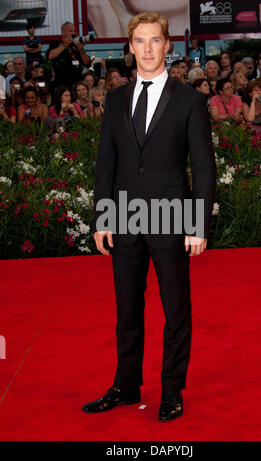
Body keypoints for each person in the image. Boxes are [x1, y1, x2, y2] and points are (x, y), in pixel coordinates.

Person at [82, 11, 216, 422]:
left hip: (172, 216)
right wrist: (103, 216)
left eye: (154, 40)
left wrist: (197, 226)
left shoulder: (190, 100)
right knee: (127, 309)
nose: (147, 49)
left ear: (167, 44)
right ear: (130, 47)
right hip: (124, 217)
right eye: (139, 41)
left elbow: (204, 167)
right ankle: (126, 386)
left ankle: (172, 390)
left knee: (175, 309)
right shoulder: (117, 99)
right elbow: (107, 161)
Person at [46, 22, 91, 90]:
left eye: (74, 31)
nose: (73, 33)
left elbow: (87, 63)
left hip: (76, 85)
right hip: (61, 85)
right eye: (70, 31)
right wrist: (65, 44)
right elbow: (50, 56)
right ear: (63, 32)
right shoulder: (56, 44)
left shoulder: (75, 46)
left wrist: (81, 50)